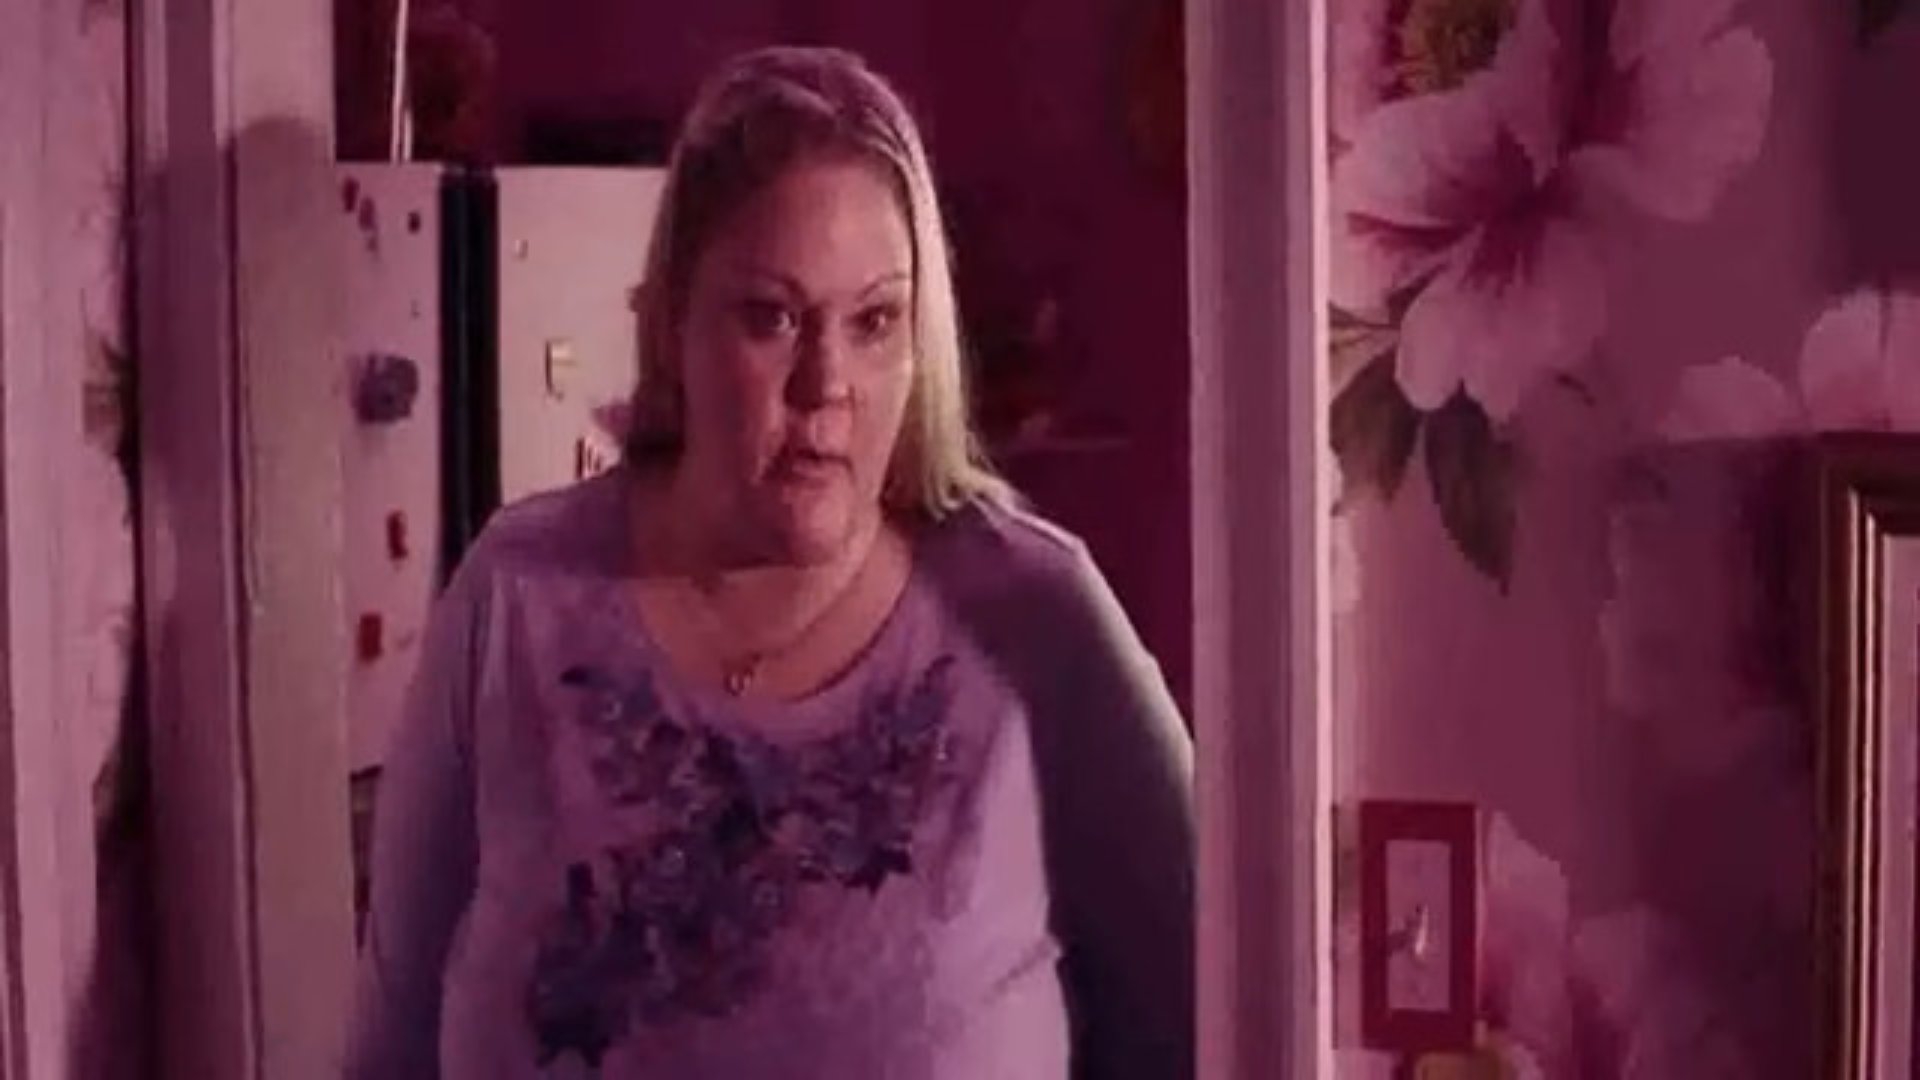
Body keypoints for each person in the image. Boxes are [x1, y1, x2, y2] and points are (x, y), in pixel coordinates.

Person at [345, 45, 1193, 1079]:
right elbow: (387, 1050)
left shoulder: (1034, 622)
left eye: (875, 321)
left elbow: (1223, 1019)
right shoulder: (515, 596)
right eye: (773, 318)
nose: (827, 382)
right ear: (673, 323)